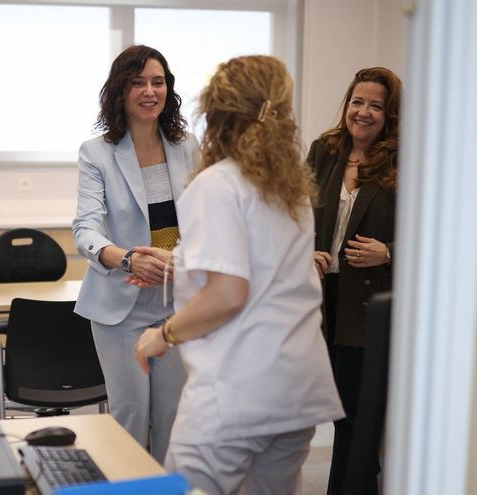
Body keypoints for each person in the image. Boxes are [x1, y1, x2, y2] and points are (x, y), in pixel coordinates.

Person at [134, 55, 344, 494]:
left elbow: (229, 292)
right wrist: (181, 263)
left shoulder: (217, 184)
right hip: (296, 391)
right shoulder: (290, 189)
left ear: (215, 113)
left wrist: (164, 335)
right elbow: (266, 270)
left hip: (236, 392)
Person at [72, 45, 199, 462]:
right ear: (120, 91)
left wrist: (181, 260)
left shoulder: (187, 147)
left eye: (158, 82)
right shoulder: (97, 153)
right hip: (120, 308)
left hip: (176, 302)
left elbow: (203, 221)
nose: (149, 91)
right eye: (138, 82)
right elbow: (85, 229)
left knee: (173, 421)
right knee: (130, 420)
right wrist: (129, 258)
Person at [308, 67, 401, 495]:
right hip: (321, 301)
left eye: (375, 106)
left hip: (367, 307)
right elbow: (296, 213)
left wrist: (389, 252)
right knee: (334, 414)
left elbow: (434, 233)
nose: (363, 112)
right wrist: (306, 250)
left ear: (389, 114)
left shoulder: (405, 161)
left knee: (356, 420)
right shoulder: (324, 151)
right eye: (357, 101)